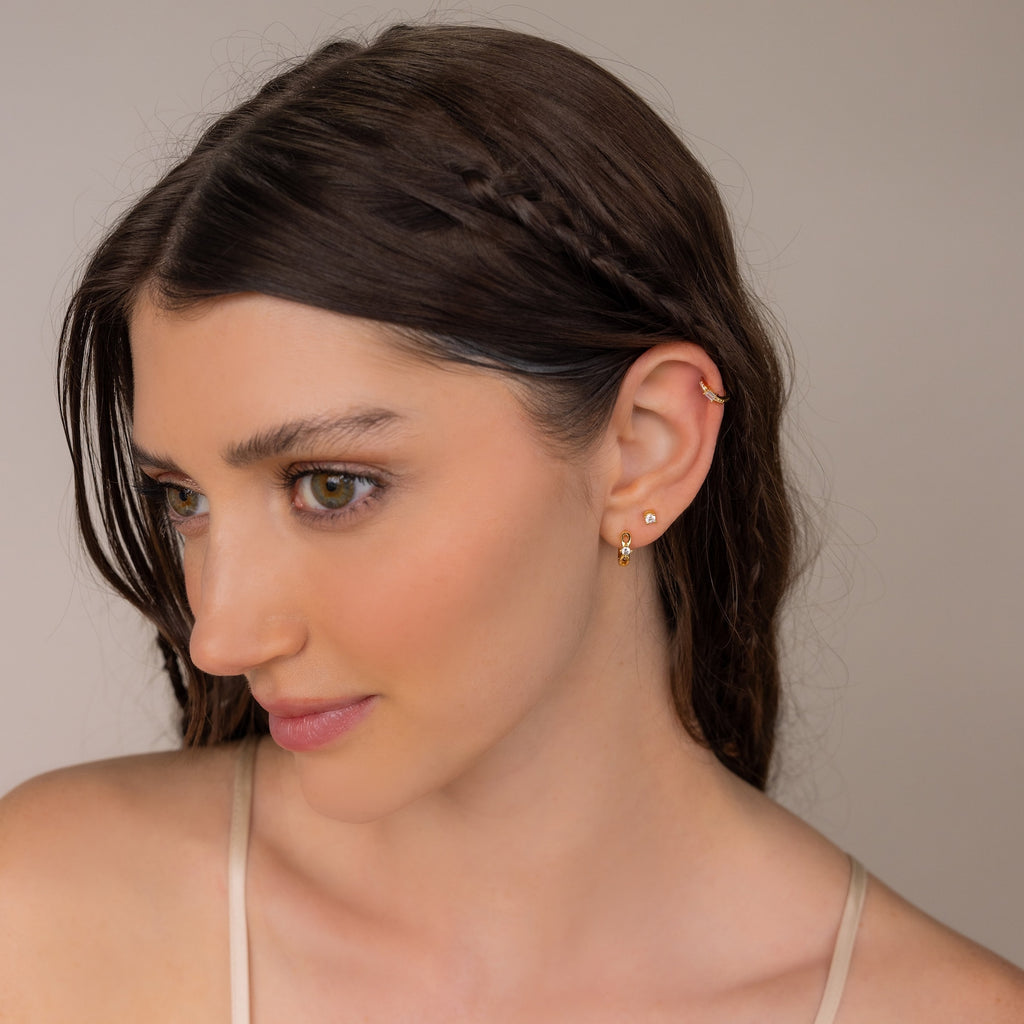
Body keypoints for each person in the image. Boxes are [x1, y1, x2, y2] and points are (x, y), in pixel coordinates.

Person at [1, 22, 1021, 1023]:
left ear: (644, 447)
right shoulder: (45, 913)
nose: (219, 635)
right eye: (184, 499)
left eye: (329, 486)